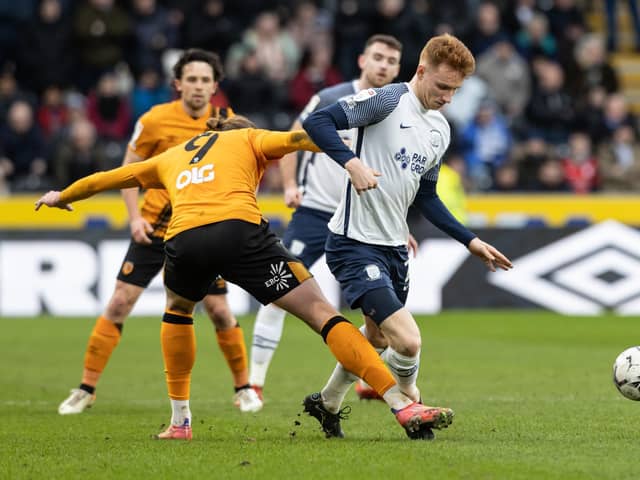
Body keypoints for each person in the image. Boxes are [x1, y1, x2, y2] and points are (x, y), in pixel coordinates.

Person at [36, 115, 454, 441]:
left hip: (183, 239)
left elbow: (110, 178)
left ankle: (180, 422)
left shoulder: (174, 155)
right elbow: (295, 140)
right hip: (240, 233)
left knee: (179, 311)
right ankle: (400, 402)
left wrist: (61, 196)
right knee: (321, 313)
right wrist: (345, 153)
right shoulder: (248, 138)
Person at [302, 33, 513, 439]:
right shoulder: (386, 100)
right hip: (352, 242)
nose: (449, 97)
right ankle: (411, 403)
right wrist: (351, 164)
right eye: (443, 86)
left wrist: (470, 240)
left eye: (456, 90)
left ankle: (326, 402)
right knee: (409, 340)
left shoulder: (440, 129)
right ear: (421, 72)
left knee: (377, 337)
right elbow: (318, 121)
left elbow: (428, 197)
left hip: (394, 248)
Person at [57, 49, 263, 416]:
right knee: (120, 302)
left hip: (200, 228)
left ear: (215, 86)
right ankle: (85, 388)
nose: (198, 87)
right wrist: (134, 218)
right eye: (192, 80)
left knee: (217, 309)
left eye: (205, 81)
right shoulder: (154, 120)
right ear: (177, 84)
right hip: (153, 227)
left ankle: (244, 388)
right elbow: (129, 170)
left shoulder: (228, 122)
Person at [248, 34, 404, 402]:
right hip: (316, 211)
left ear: (399, 69)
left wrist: (398, 223)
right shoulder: (332, 98)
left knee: (376, 308)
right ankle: (252, 384)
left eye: (391, 61)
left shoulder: (397, 109)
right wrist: (289, 185)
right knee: (278, 290)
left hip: (364, 219)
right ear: (362, 61)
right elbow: (291, 141)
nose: (383, 65)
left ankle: (367, 379)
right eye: (378, 57)